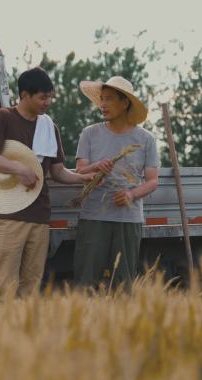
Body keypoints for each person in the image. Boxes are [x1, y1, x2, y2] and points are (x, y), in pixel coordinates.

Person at [0, 67, 92, 297]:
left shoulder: (49, 127)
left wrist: (83, 179)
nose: (48, 102)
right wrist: (20, 168)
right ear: (24, 95)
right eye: (43, 97)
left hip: (39, 215)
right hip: (8, 215)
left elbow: (58, 172)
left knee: (31, 288)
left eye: (50, 96)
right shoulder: (2, 118)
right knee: (2, 287)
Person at [73, 76, 160, 288]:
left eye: (109, 99)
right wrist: (95, 167)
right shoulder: (89, 134)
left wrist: (131, 195)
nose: (102, 104)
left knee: (123, 285)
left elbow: (153, 181)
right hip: (93, 216)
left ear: (125, 103)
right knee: (86, 283)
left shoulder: (146, 139)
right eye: (101, 99)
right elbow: (79, 171)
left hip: (128, 219)